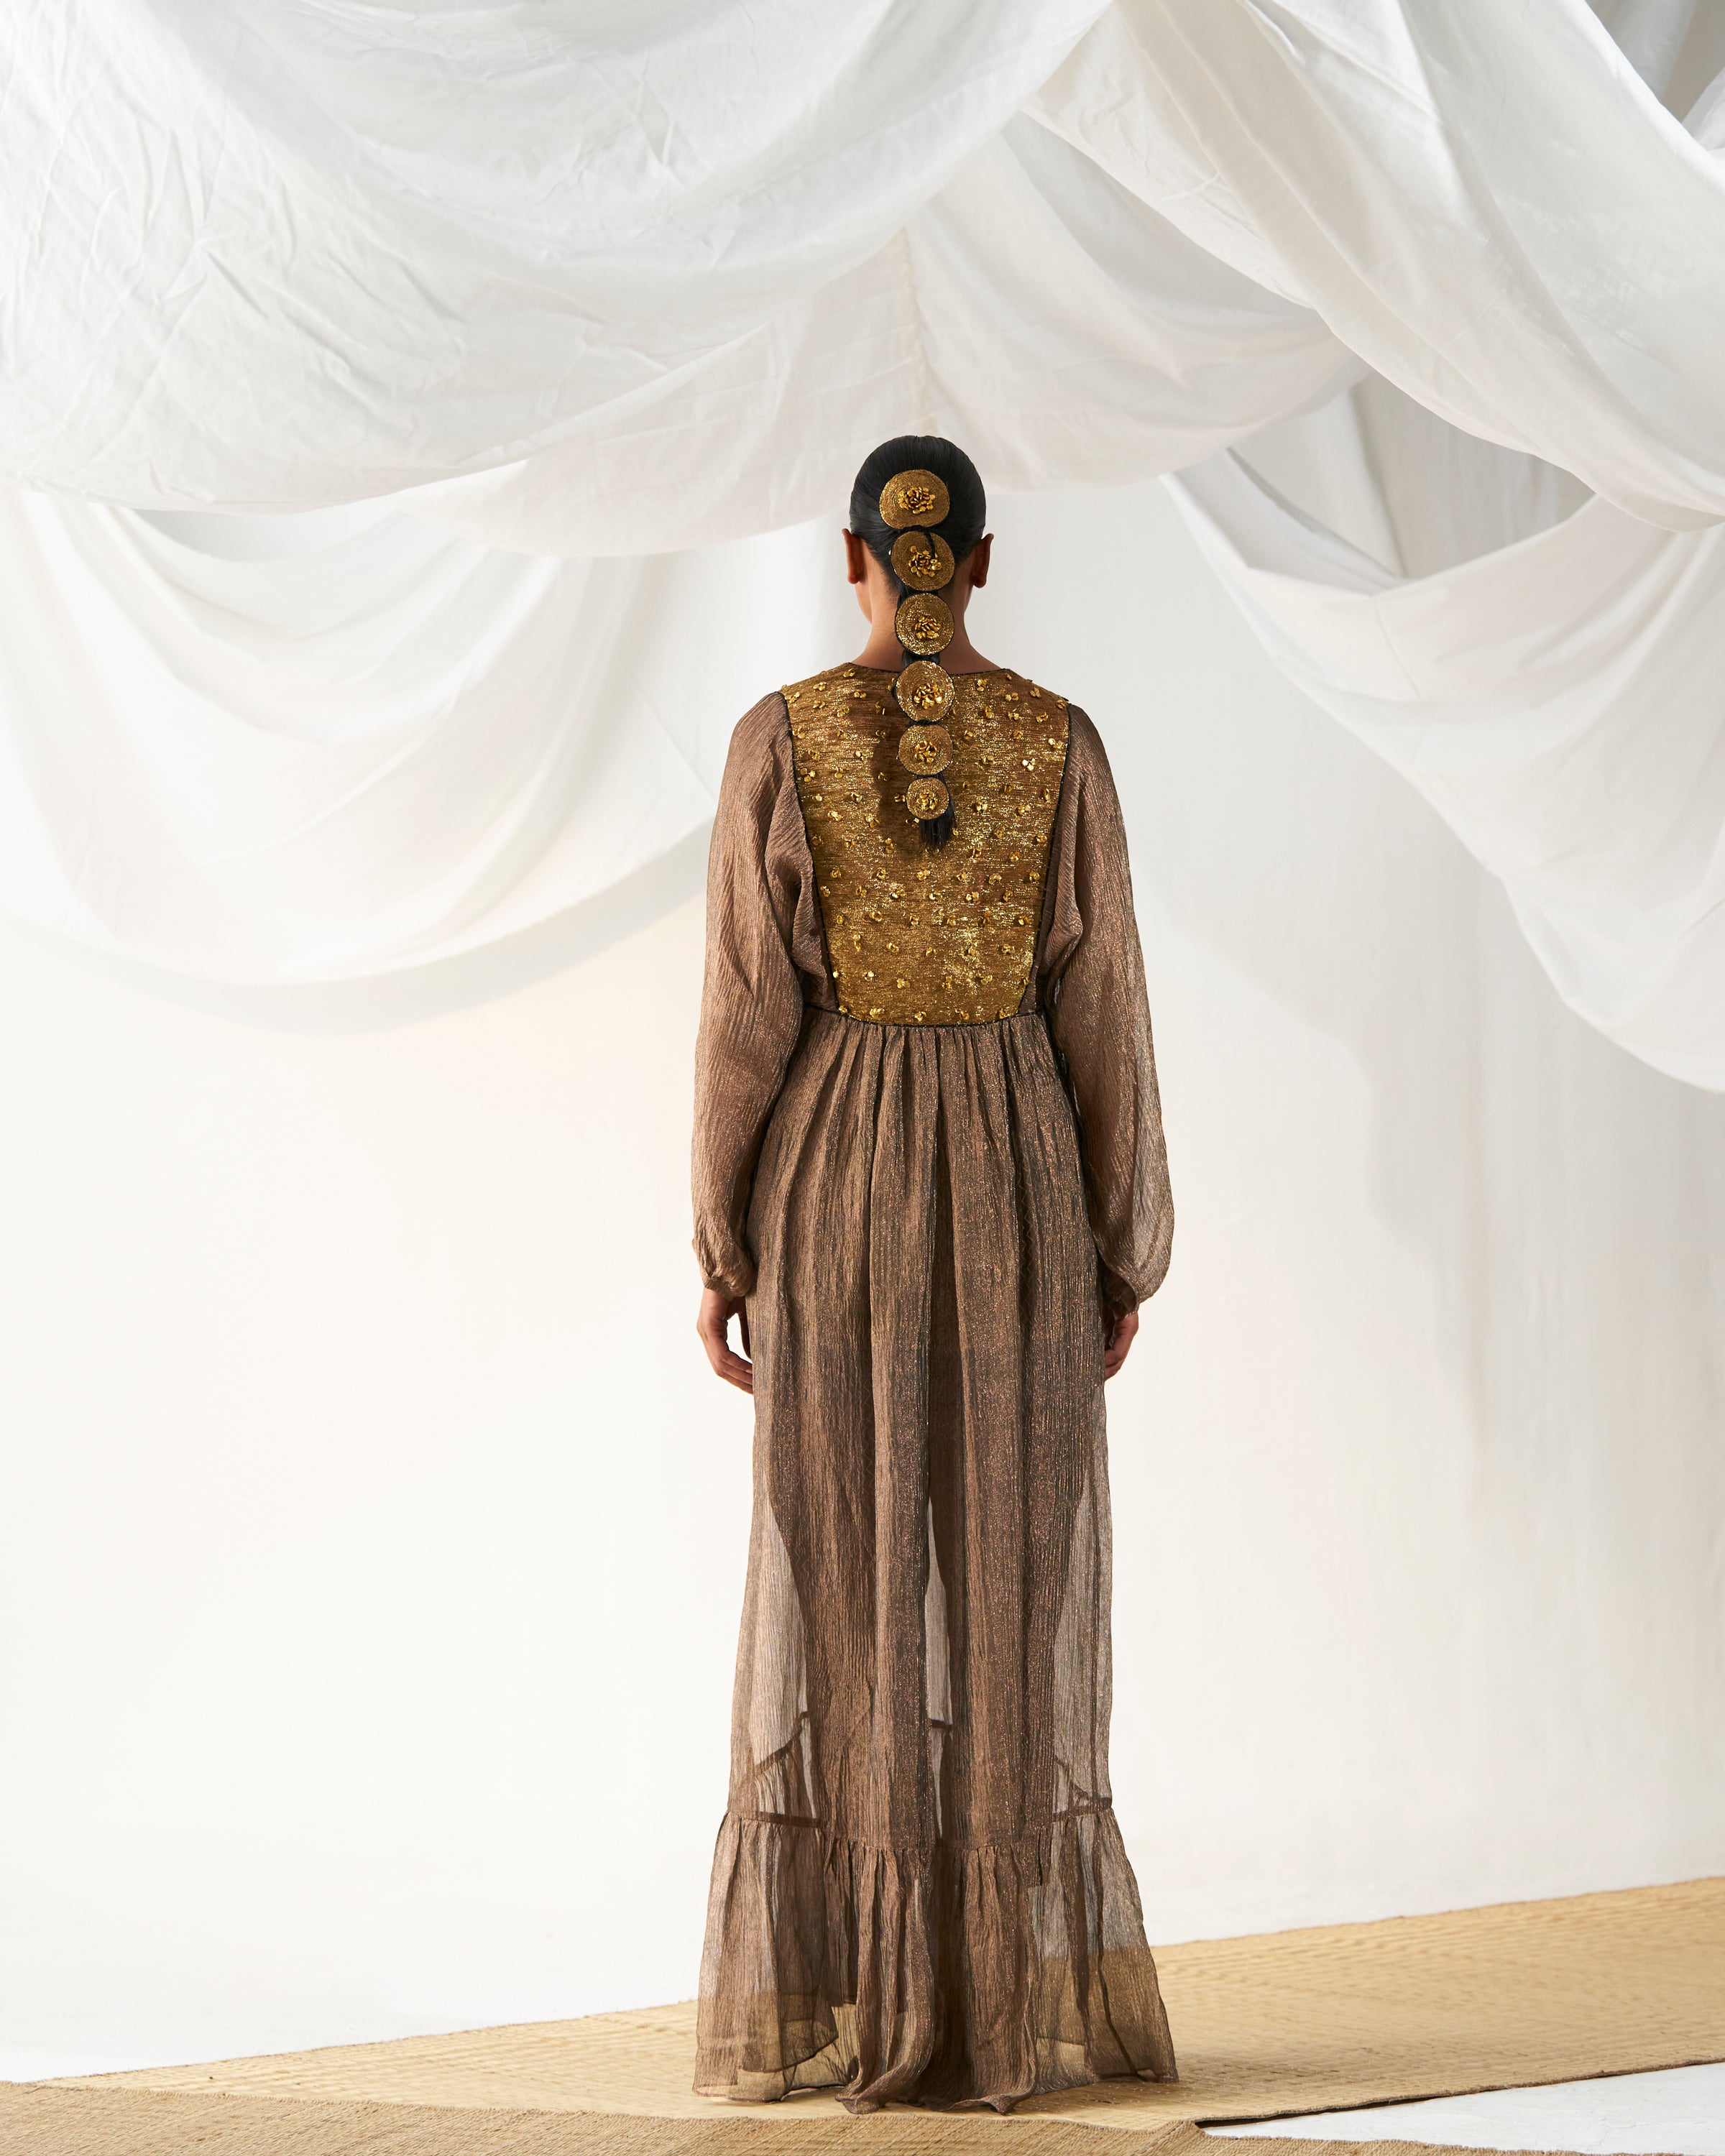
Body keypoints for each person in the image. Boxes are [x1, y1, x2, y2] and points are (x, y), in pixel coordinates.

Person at [689, 435, 1177, 2115]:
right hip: (1018, 1186)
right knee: (1007, 1573)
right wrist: (1122, 1243)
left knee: (848, 1572)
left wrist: (722, 1239)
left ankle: (868, 1991)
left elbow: (746, 1014)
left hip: (833, 1184)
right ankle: (989, 2005)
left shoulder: (778, 740)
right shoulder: (1060, 742)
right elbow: (1103, 1006)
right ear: (980, 559)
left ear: (852, 558)